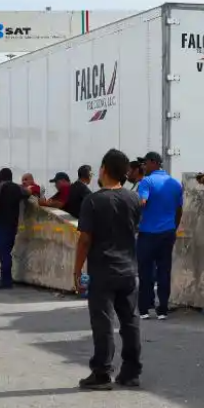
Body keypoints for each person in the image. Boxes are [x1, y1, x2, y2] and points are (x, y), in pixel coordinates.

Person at [73, 148, 142, 390]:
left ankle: (102, 372)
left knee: (103, 323)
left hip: (103, 270)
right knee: (130, 321)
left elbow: (84, 240)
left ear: (103, 169)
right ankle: (131, 372)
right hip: (129, 270)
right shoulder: (134, 199)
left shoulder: (93, 200)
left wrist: (76, 270)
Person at [136, 152, 183, 320]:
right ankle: (162, 309)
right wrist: (173, 227)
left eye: (145, 163)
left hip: (148, 233)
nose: (143, 167)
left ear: (153, 162)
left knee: (145, 271)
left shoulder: (146, 182)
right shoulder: (175, 184)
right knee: (164, 271)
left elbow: (142, 202)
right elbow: (179, 210)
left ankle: (144, 309)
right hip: (167, 233)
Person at [0, 168, 31, 289]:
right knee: (6, 251)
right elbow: (27, 193)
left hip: (0, 224)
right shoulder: (17, 188)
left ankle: (6, 281)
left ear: (0, 177)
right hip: (13, 225)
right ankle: (6, 279)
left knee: (3, 253)